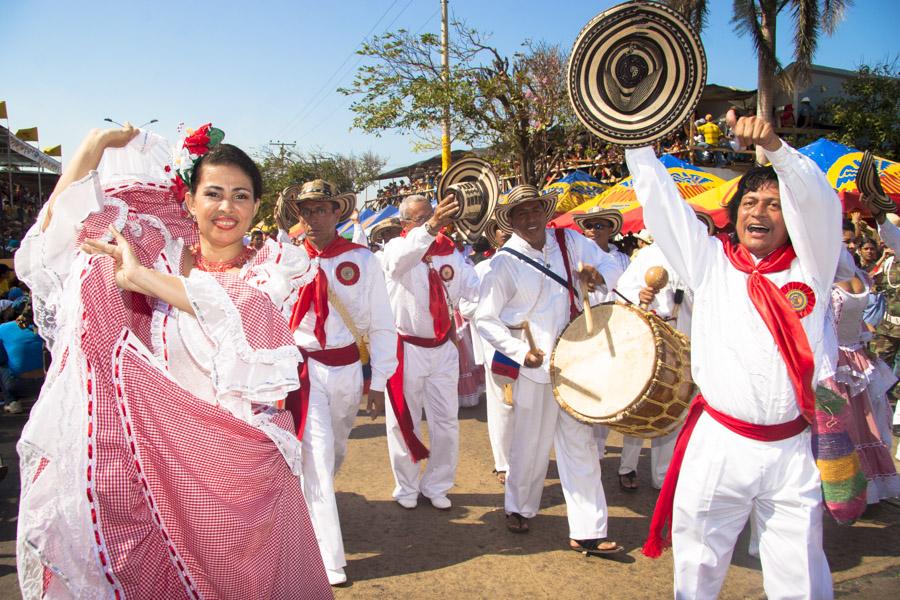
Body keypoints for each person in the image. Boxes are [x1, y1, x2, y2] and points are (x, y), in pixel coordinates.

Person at [15, 124, 331, 598]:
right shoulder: (160, 252)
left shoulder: (274, 267)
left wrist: (140, 278)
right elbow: (61, 235)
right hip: (162, 470)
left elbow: (239, 306)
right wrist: (93, 148)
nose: (227, 208)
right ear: (190, 201)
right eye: (214, 194)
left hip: (245, 474)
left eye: (241, 196)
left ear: (257, 207)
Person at [631, 109, 839, 599]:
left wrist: (777, 148)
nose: (758, 213)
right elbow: (665, 208)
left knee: (801, 577)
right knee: (697, 568)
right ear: (734, 212)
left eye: (772, 204)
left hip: (792, 450)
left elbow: (820, 206)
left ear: (791, 220)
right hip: (720, 443)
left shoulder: (814, 267)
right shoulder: (711, 263)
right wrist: (636, 143)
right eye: (749, 201)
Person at [474, 184, 623, 554]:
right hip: (532, 367)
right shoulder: (503, 262)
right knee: (530, 444)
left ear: (545, 210)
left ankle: (589, 530)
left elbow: (608, 265)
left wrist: (597, 276)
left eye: (534, 209)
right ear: (510, 220)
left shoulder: (569, 242)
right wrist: (521, 352)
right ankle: (519, 507)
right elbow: (485, 319)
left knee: (581, 445)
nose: (529, 218)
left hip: (574, 360)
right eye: (520, 213)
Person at [286, 179, 397, 587]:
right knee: (314, 454)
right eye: (307, 210)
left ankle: (315, 505)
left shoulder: (363, 260)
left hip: (347, 370)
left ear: (337, 212)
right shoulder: (285, 260)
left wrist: (380, 382)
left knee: (333, 450)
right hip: (302, 370)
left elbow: (383, 324)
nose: (314, 217)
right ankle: (328, 559)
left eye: (322, 209)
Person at [381, 193, 480, 510]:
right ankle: (406, 487)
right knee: (403, 421)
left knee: (446, 421)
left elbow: (472, 292)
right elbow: (401, 261)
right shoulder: (397, 248)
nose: (430, 225)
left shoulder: (451, 254)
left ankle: (437, 484)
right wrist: (430, 228)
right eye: (421, 220)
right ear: (404, 223)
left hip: (443, 348)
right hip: (406, 348)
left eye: (433, 217)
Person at [459, 219, 513, 484]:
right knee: (503, 405)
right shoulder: (482, 269)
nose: (508, 235)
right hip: (498, 347)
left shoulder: (539, 264)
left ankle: (526, 458)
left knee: (531, 406)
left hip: (535, 347)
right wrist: (493, 313)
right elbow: (465, 306)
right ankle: (503, 463)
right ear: (494, 237)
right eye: (502, 231)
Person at [0, 302, 43, 414]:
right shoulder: (43, 330)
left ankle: (12, 401)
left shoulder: (3, 329)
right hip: (46, 383)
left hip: (18, 384)